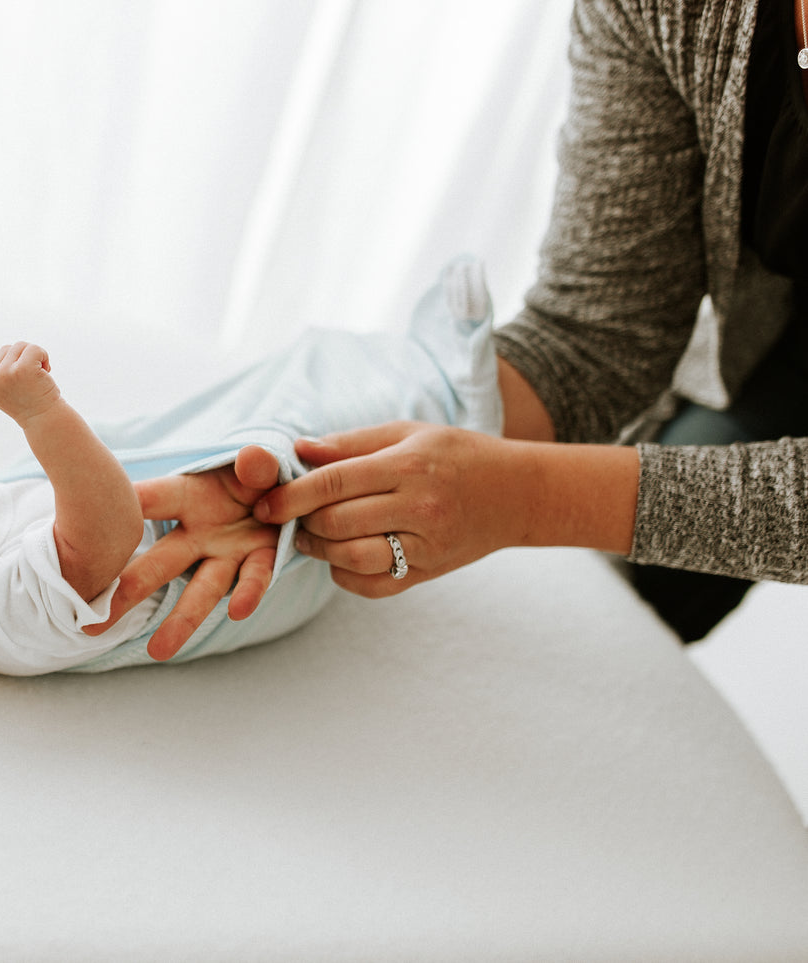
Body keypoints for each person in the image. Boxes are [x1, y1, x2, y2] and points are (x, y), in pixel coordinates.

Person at [99, 0, 808, 656]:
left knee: (629, 582)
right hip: (773, 350)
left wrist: (529, 500)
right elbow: (597, 335)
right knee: (619, 598)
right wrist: (299, 459)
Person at [0, 258, 503, 674]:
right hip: (259, 561)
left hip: (206, 504)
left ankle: (414, 365)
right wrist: (42, 416)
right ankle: (454, 397)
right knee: (325, 437)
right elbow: (103, 535)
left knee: (285, 382)